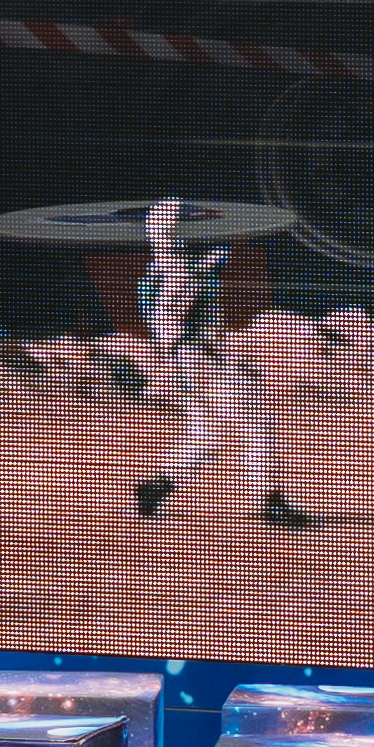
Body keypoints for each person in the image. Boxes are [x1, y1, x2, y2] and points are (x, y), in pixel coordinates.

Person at [127, 199, 305, 530]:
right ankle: (269, 500)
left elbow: (201, 270)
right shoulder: (174, 273)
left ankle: (157, 486)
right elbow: (185, 294)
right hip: (199, 362)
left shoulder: (159, 272)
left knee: (206, 435)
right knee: (256, 422)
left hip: (188, 364)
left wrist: (224, 245)